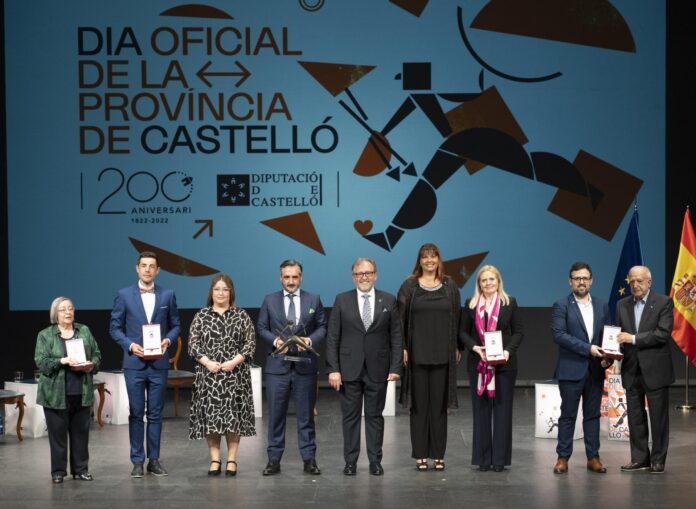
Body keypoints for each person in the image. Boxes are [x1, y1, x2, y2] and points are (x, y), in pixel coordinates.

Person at [326, 258, 403, 476]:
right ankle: (350, 462)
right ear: (353, 277)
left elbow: (396, 336)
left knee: (375, 417)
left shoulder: (389, 299)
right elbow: (333, 337)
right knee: (350, 418)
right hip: (348, 370)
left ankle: (375, 462)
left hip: (378, 368)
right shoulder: (342, 300)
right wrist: (333, 369)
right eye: (359, 274)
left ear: (376, 275)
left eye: (368, 273)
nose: (364, 277)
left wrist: (396, 367)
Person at [110, 251, 181, 478]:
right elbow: (115, 328)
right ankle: (137, 461)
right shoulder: (124, 295)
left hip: (159, 363)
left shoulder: (168, 295)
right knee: (136, 413)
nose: (147, 269)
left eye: (152, 266)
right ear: (137, 268)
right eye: (144, 265)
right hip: (134, 364)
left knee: (156, 414)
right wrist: (130, 346)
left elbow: (176, 325)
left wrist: (167, 340)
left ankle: (154, 460)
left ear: (158, 270)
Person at [257, 259, 327, 475]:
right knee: (276, 416)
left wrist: (310, 340)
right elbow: (261, 327)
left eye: (294, 277)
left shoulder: (314, 299)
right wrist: (276, 341)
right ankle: (273, 460)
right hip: (277, 367)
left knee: (306, 417)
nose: (290, 281)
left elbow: (322, 327)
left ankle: (309, 460)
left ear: (301, 278)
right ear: (280, 278)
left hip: (305, 367)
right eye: (286, 277)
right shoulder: (269, 300)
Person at [398, 243, 461, 471]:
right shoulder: (409, 286)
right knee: (419, 407)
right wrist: (403, 347)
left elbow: (457, 317)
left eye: (433, 256)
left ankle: (438, 454)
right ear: (419, 261)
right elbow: (400, 320)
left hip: (443, 356)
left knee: (439, 408)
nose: (429, 260)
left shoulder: (450, 285)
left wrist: (457, 346)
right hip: (417, 357)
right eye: (425, 257)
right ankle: (420, 455)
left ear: (439, 259)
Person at [188, 274, 256, 476]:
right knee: (212, 419)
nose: (220, 293)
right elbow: (193, 345)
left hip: (235, 376)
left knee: (234, 418)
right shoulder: (201, 316)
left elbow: (250, 344)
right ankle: (215, 459)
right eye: (217, 289)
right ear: (211, 292)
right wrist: (207, 362)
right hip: (208, 376)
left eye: (225, 289)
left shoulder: (241, 315)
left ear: (231, 292)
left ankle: (232, 459)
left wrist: (233, 362)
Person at [549, 262, 612, 475]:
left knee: (592, 416)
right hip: (571, 370)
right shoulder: (561, 305)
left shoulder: (602, 305)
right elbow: (559, 335)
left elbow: (608, 336)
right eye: (577, 278)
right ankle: (562, 458)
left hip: (595, 370)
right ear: (570, 281)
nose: (581, 282)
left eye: (585, 278)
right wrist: (589, 349)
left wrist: (608, 358)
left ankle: (593, 457)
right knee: (568, 415)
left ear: (591, 281)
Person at [460, 265, 523, 472]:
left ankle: (500, 460)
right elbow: (462, 332)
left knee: (503, 411)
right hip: (478, 364)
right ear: (479, 283)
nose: (488, 283)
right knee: (481, 412)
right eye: (484, 280)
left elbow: (518, 332)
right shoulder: (470, 304)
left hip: (505, 365)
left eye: (491, 279)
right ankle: (483, 459)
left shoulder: (509, 302)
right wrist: (475, 348)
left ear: (498, 281)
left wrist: (507, 351)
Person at [34, 297, 102, 484]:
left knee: (81, 435)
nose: (68, 312)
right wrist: (62, 361)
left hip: (81, 392)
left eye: (70, 308)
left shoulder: (84, 330)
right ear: (55, 314)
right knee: (58, 437)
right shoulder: (45, 335)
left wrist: (91, 365)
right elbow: (41, 362)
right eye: (63, 309)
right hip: (55, 395)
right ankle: (58, 472)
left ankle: (81, 470)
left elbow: (97, 355)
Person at [616, 265, 674, 474]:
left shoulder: (663, 302)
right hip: (631, 369)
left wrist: (632, 339)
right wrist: (610, 354)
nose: (635, 285)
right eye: (632, 281)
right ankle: (640, 458)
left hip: (655, 370)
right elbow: (618, 336)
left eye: (639, 281)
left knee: (658, 418)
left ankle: (658, 460)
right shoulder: (621, 304)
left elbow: (662, 334)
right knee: (635, 417)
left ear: (649, 282)